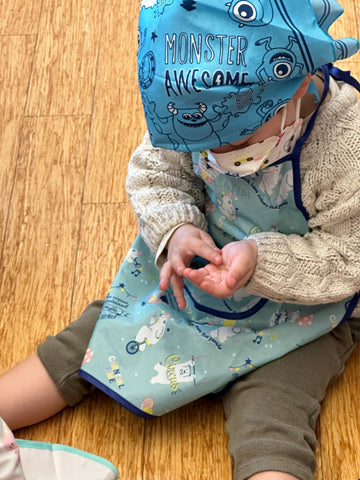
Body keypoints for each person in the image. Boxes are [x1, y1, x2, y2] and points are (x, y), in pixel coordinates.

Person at [1, 1, 360, 479]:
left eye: (234, 141)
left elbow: (347, 254)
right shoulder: (189, 113)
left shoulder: (348, 144)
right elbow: (156, 173)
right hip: (191, 273)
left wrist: (258, 260)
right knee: (88, 336)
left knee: (273, 415)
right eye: (202, 145)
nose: (214, 152)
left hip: (306, 309)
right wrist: (177, 230)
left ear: (295, 83)